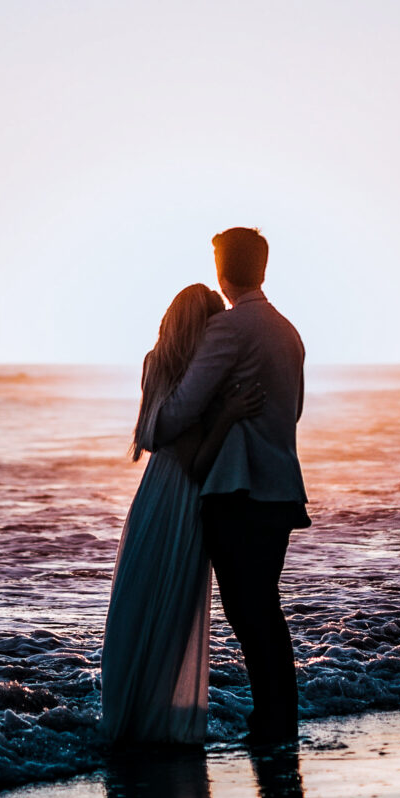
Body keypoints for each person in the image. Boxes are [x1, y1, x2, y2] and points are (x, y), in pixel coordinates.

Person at [152, 227, 308, 746]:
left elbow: (179, 411)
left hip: (237, 492)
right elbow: (296, 412)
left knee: (248, 612)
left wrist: (165, 414)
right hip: (282, 489)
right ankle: (278, 719)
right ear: (262, 269)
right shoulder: (289, 333)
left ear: (222, 272)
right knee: (264, 607)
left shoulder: (230, 329)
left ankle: (272, 724)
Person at [101, 283, 261, 743]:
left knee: (136, 608)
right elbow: (196, 462)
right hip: (183, 501)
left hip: (153, 494)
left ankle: (127, 718)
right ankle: (154, 725)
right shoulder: (192, 380)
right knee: (170, 612)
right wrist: (228, 413)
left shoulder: (155, 363)